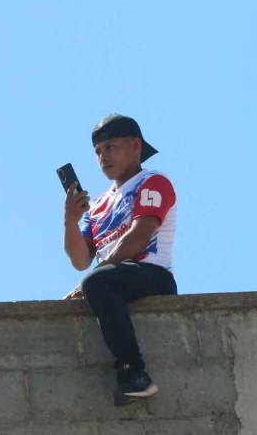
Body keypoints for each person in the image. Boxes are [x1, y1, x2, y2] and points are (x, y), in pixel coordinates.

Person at [63, 114, 177, 405]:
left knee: (97, 283)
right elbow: (80, 259)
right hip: (113, 277)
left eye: (110, 147)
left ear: (135, 145)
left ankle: (134, 372)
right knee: (95, 284)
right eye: (99, 151)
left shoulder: (153, 182)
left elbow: (140, 234)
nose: (103, 157)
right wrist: (70, 221)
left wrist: (96, 275)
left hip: (152, 274)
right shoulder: (99, 204)